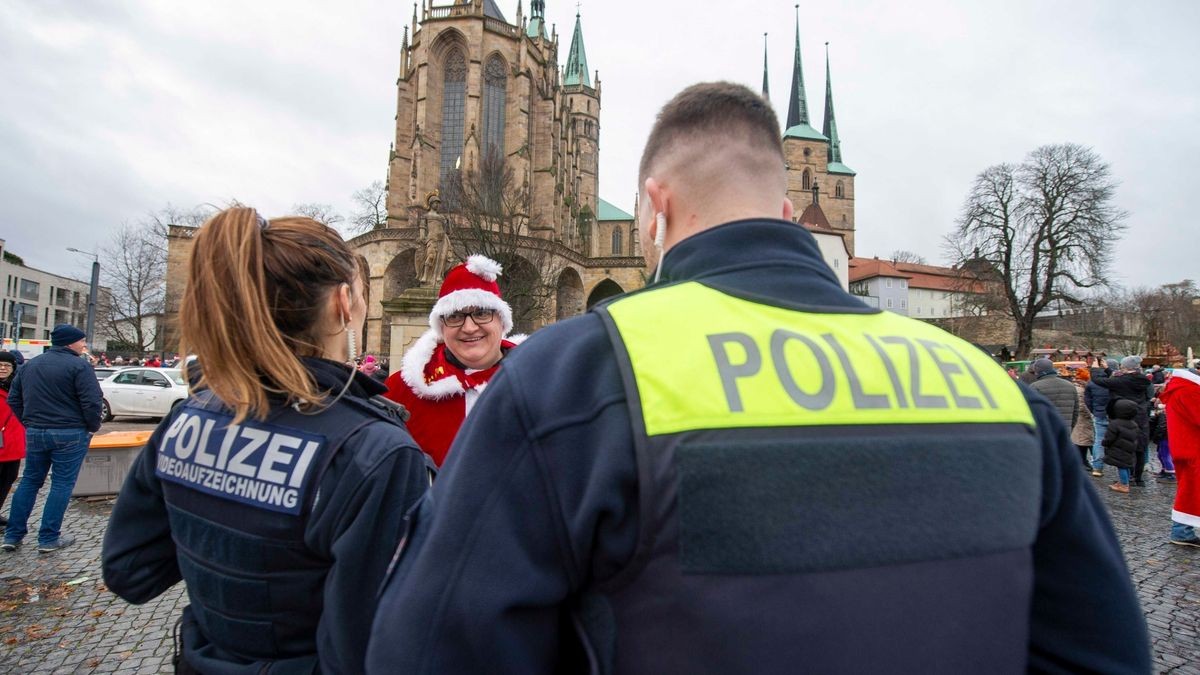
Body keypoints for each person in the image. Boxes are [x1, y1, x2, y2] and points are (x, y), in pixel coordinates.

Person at [365, 82, 1148, 673]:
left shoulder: (572, 374)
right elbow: (1103, 649)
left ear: (653, 210)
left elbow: (431, 646)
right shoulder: (984, 383)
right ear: (784, 204)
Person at [101, 207, 432, 673]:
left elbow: (130, 571)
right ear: (343, 302)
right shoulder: (373, 450)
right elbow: (367, 648)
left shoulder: (191, 415)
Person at [383, 255, 525, 467]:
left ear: (502, 321)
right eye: (455, 316)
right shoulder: (398, 394)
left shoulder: (541, 385)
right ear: (442, 327)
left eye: (482, 313)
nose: (469, 327)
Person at [3, 324, 103, 553]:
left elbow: (14, 400)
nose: (84, 345)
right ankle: (48, 538)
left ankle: (13, 534)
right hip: (70, 432)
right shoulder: (79, 366)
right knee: (61, 484)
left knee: (29, 481)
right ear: (69, 342)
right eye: (81, 341)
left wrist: (28, 422)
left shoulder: (31, 365)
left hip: (36, 431)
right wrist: (91, 426)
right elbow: (92, 401)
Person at [1094, 356, 1155, 485]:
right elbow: (1120, 380)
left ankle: (1127, 479)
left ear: (1126, 367)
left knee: (1126, 447)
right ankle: (1138, 478)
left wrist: (1094, 369)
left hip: (1125, 414)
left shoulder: (1123, 381)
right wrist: (1108, 369)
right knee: (1140, 448)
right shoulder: (1143, 380)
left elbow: (1099, 381)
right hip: (1141, 414)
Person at [1160, 368, 1200, 546]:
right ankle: (1181, 531)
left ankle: (1182, 531)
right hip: (1193, 448)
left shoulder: (1181, 388)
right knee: (1190, 490)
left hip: (1185, 446)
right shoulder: (1189, 391)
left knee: (1189, 489)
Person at [0, 351, 26, 527]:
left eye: (7, 365)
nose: (3, 368)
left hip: (12, 442)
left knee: (8, 478)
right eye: (0, 365)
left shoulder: (16, 386)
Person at [1085, 358, 1117, 477]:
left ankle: (1097, 467)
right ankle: (1123, 469)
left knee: (1099, 441)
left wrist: (1095, 411)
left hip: (1099, 414)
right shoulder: (1117, 381)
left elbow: (1087, 400)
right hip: (1116, 414)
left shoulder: (1093, 383)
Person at [1029, 357, 1078, 431]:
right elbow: (1076, 411)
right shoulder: (1070, 386)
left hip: (1045, 432)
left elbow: (1032, 412)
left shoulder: (1035, 386)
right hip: (1065, 430)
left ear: (1037, 371)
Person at [1103, 399, 1140, 493]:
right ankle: (1124, 482)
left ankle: (1124, 485)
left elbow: (1109, 438)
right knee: (1126, 466)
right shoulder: (1134, 424)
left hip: (1118, 449)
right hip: (1129, 449)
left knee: (1121, 467)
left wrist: (1105, 443)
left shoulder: (1115, 424)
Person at [1070, 368, 1095, 470]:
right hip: (1083, 419)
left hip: (1081, 419)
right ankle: (1082, 461)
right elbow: (1082, 406)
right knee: (1082, 441)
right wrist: (1091, 414)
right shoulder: (1080, 390)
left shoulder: (1078, 387)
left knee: (1082, 440)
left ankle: (1083, 461)